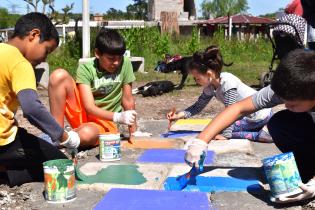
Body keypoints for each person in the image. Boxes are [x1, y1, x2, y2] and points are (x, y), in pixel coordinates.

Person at [184, 49, 315, 203]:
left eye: (292, 103)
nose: (286, 105)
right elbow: (237, 108)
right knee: (280, 123)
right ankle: (306, 168)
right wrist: (201, 141)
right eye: (284, 101)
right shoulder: (287, 85)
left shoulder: (306, 86)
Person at [0, 12, 81, 186]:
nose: (45, 58)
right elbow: (32, 109)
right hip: (2, 141)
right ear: (34, 35)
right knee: (60, 166)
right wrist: (64, 136)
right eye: (47, 50)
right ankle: (4, 175)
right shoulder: (20, 63)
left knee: (25, 138)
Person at [48, 28, 149, 147]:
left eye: (119, 58)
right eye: (111, 59)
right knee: (58, 76)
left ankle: (71, 137)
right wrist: (118, 116)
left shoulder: (125, 64)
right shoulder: (85, 69)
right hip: (85, 115)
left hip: (106, 123)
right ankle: (57, 135)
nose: (116, 63)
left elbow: (128, 100)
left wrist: (134, 132)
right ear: (97, 53)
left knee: (86, 134)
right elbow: (89, 107)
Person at [167, 46, 273, 142]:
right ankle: (260, 129)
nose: (196, 81)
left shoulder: (227, 83)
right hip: (250, 115)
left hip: (259, 114)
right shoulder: (211, 85)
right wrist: (178, 115)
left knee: (216, 129)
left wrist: (226, 135)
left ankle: (258, 135)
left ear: (208, 74)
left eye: (197, 78)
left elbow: (230, 112)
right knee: (215, 127)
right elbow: (198, 106)